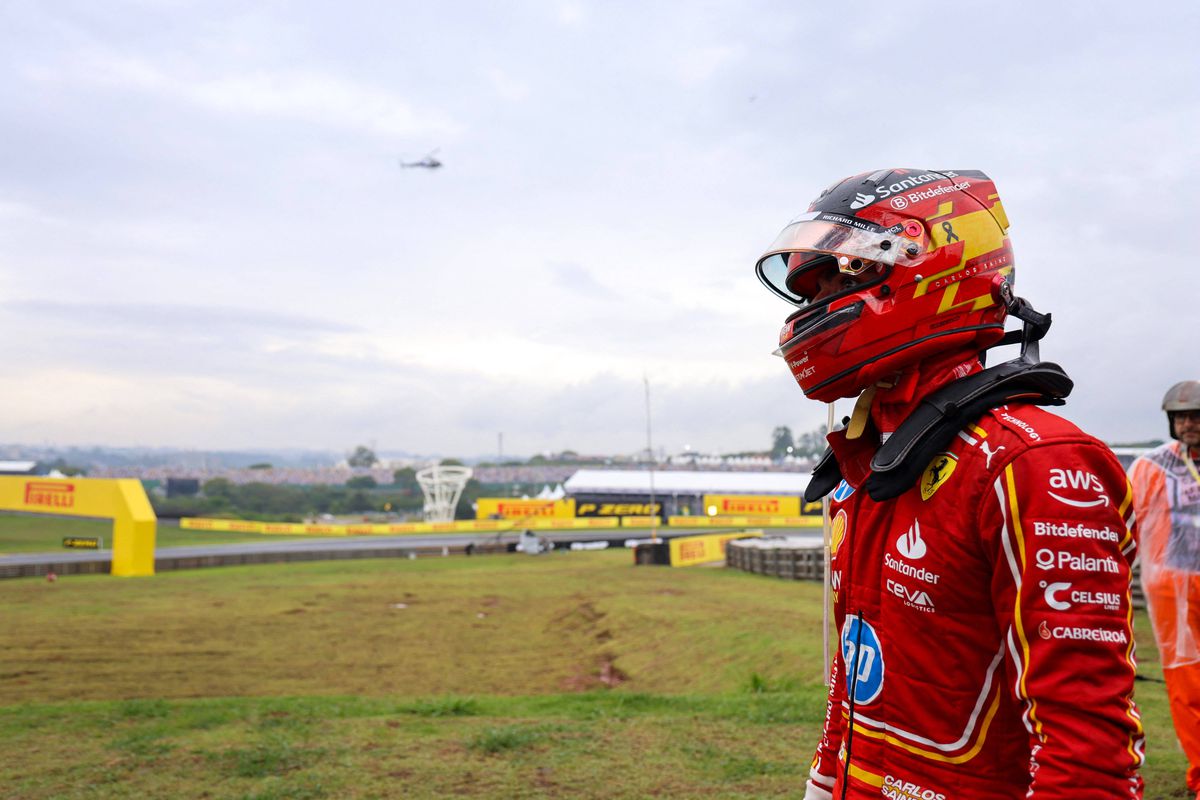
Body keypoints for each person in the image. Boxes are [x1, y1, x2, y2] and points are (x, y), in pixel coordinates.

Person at [753, 169, 1143, 798]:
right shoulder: (866, 460)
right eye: (811, 284)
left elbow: (1086, 738)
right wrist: (827, 777)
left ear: (930, 266)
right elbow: (860, 660)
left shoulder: (1033, 463)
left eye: (841, 273)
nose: (818, 300)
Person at [1129, 380, 1200, 798]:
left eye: (1196, 417)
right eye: (1183, 417)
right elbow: (1127, 524)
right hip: (1173, 590)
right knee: (1187, 685)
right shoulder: (1152, 467)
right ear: (1173, 422)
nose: (1190, 424)